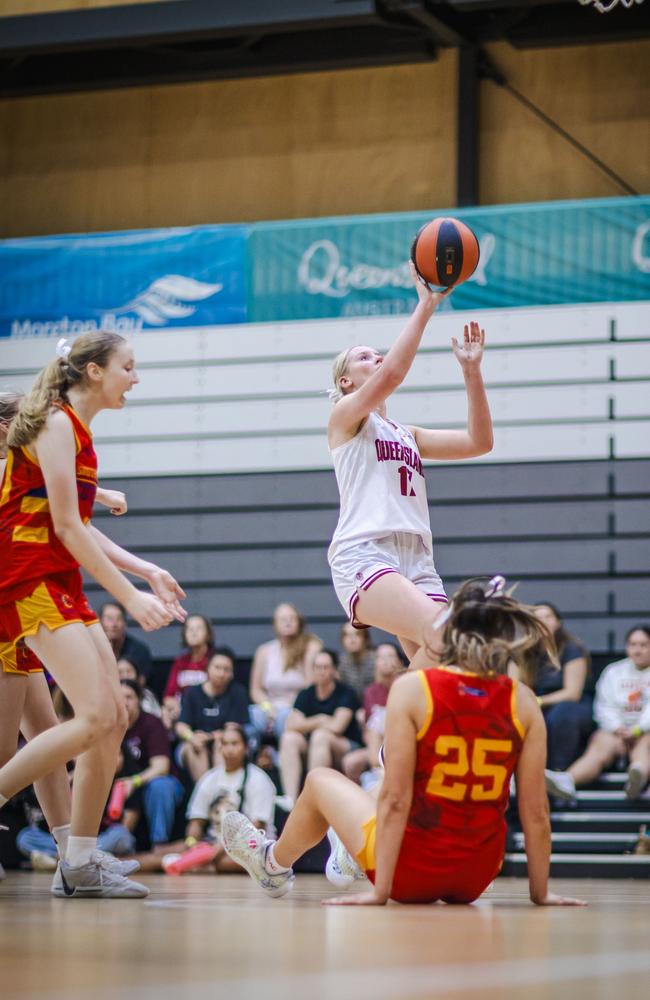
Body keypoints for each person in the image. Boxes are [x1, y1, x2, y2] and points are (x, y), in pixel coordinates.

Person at [222, 576, 585, 908]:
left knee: (319, 780)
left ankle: (273, 864)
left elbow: (395, 800)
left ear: (450, 633)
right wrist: (541, 894)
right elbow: (536, 813)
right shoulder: (522, 699)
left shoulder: (413, 689)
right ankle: (345, 849)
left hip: (409, 873)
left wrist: (381, 892)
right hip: (478, 875)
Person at [0, 333, 186, 898]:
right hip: (29, 579)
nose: (135, 378)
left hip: (59, 579)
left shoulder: (77, 432)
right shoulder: (55, 424)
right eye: (128, 367)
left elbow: (79, 524)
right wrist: (130, 597)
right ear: (94, 371)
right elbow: (66, 527)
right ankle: (65, 849)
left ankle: (77, 859)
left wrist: (146, 570)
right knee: (86, 717)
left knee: (111, 719)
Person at [327, 267, 493, 670]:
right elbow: (393, 375)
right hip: (365, 552)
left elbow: (479, 442)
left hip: (417, 557)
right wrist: (426, 306)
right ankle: (390, 735)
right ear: (346, 381)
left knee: (449, 662)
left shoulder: (408, 434)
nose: (376, 358)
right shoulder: (345, 417)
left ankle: (402, 733)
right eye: (364, 357)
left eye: (376, 353)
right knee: (447, 637)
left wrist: (471, 373)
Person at [140, 723, 277, 875]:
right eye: (225, 744)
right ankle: (118, 862)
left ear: (245, 748)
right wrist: (192, 843)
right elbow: (196, 821)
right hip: (211, 844)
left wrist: (219, 848)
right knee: (160, 853)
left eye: (235, 744)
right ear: (219, 747)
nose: (229, 749)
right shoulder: (210, 778)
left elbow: (256, 827)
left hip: (249, 845)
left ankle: (193, 864)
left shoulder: (258, 779)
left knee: (248, 861)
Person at [545, 626, 650, 801]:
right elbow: (603, 705)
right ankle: (568, 780)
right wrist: (617, 728)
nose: (637, 650)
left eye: (643, 645)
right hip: (616, 730)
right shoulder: (613, 671)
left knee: (644, 745)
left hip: (644, 731)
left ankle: (637, 777)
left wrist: (638, 730)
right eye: (633, 645)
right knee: (600, 746)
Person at [279, 649, 361, 807]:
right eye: (317, 667)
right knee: (289, 738)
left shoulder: (345, 693)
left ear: (333, 670)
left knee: (320, 736)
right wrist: (320, 719)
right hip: (315, 745)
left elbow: (337, 726)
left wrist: (308, 724)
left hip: (347, 745)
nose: (321, 671)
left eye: (325, 667)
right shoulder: (306, 693)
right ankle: (290, 799)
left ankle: (313, 796)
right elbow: (291, 725)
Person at [113, 679, 185, 849]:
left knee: (160, 786)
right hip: (118, 784)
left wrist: (135, 781)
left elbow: (161, 767)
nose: (124, 702)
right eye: (120, 697)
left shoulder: (151, 723)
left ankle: (158, 844)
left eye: (129, 697)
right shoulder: (109, 725)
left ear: (139, 699)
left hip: (152, 782)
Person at [522, 603, 594, 771]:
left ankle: (557, 772)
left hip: (571, 704)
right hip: (537, 702)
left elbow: (572, 693)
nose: (544, 622)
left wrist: (538, 701)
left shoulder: (572, 649)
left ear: (558, 622)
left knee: (560, 716)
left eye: (548, 617)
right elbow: (515, 684)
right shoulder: (526, 652)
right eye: (538, 618)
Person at [249, 603, 322, 742]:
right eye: (283, 619)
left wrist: (288, 707)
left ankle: (279, 758)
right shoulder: (264, 651)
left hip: (296, 708)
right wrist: (268, 708)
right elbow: (256, 690)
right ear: (275, 624)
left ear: (299, 622)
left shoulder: (310, 646)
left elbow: (310, 686)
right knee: (250, 716)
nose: (288, 622)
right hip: (270, 707)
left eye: (292, 618)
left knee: (285, 718)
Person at [175, 647, 250, 782]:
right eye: (217, 667)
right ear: (208, 668)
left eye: (226, 669)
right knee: (195, 748)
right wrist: (191, 737)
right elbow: (181, 726)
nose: (221, 673)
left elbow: (232, 729)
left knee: (222, 744)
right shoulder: (193, 692)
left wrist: (210, 737)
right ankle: (205, 795)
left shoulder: (238, 692)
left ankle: (223, 792)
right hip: (194, 743)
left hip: (220, 741)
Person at [342, 643, 403, 786]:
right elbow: (369, 731)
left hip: (401, 741)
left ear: (400, 661)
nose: (386, 661)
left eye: (390, 656)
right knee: (350, 762)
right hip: (376, 745)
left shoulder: (406, 684)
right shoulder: (371, 691)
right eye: (381, 657)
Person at [163, 613, 214, 705]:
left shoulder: (214, 660)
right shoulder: (180, 661)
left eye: (199, 628)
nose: (194, 633)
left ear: (208, 634)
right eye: (190, 629)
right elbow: (169, 695)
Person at [100, 601, 153, 687]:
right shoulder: (93, 650)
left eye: (118, 619)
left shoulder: (139, 650)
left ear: (125, 623)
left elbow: (140, 684)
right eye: (109, 619)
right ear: (100, 622)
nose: (114, 624)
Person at [337, 622, 376, 699]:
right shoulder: (340, 663)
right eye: (347, 635)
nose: (352, 640)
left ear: (365, 638)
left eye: (357, 634)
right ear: (342, 640)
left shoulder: (376, 660)